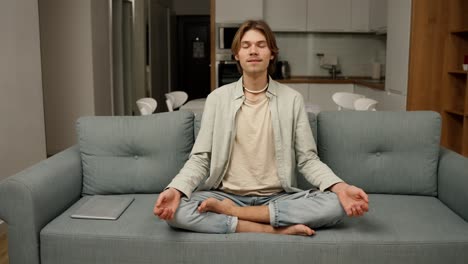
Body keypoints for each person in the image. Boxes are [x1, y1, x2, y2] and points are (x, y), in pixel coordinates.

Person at [154, 20, 369, 236]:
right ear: (237, 54)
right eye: (246, 46)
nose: (253, 51)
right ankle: (269, 228)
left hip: (277, 197)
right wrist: (175, 189)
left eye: (261, 45)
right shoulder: (217, 99)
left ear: (272, 53)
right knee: (176, 211)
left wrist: (341, 188)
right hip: (226, 195)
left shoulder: (292, 99)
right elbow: (201, 159)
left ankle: (236, 214)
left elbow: (307, 160)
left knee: (336, 205)